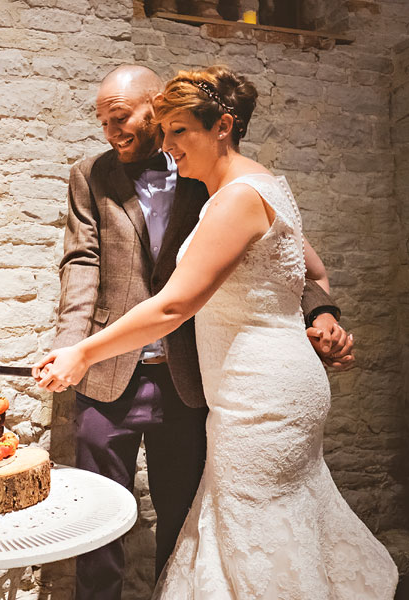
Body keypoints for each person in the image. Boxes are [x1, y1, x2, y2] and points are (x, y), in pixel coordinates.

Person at [36, 66, 398, 598]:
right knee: (129, 519)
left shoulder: (217, 184)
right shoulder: (105, 175)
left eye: (170, 128)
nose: (165, 141)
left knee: (208, 515)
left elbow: (193, 295)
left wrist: (321, 314)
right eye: (104, 121)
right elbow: (83, 263)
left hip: (217, 381)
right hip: (150, 374)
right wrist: (76, 350)